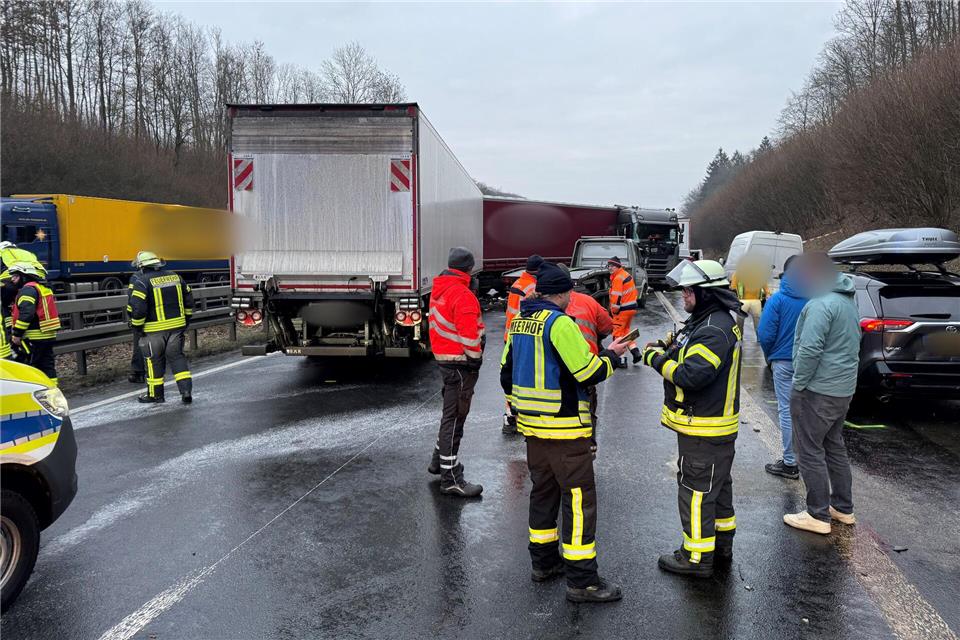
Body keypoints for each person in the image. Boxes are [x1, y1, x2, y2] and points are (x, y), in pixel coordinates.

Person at [501, 262, 628, 603]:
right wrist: (612, 358)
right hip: (566, 429)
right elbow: (586, 372)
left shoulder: (519, 323)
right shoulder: (560, 324)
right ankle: (582, 581)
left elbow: (505, 372)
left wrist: (521, 409)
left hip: (532, 429)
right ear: (563, 294)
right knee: (577, 501)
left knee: (543, 493)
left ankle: (543, 563)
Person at [642, 259, 743, 578]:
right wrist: (667, 347)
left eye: (689, 290)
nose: (683, 295)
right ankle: (721, 545)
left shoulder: (713, 329)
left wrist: (656, 360)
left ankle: (697, 558)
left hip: (704, 427)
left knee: (696, 492)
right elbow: (686, 348)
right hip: (709, 427)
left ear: (707, 293)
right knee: (718, 487)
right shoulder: (707, 321)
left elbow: (692, 375)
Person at [783, 253, 860, 535]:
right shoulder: (847, 301)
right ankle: (842, 508)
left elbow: (810, 349)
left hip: (817, 391)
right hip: (841, 390)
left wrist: (798, 385)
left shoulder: (821, 304)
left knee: (809, 451)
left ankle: (817, 514)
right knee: (834, 446)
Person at [427, 247, 485, 498]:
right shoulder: (462, 294)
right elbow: (469, 335)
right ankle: (451, 478)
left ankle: (438, 462)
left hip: (445, 360)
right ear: (469, 268)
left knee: (449, 415)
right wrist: (476, 359)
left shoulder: (441, 288)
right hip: (460, 364)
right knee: (454, 419)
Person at [757, 255, 807, 479]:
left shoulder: (778, 300)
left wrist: (770, 356)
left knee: (787, 411)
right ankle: (808, 460)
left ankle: (789, 462)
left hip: (784, 361)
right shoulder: (816, 298)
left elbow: (765, 334)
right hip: (809, 362)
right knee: (807, 412)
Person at [128, 251, 194, 404]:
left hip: (153, 330)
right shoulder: (176, 277)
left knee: (153, 362)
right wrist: (186, 320)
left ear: (142, 267)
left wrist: (137, 327)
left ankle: (156, 395)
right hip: (177, 327)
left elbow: (138, 308)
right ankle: (185, 392)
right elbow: (189, 300)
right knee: (177, 358)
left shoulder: (142, 282)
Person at [561, 265, 614, 433]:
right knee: (586, 411)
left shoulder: (540, 306)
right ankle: (588, 445)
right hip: (586, 368)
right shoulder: (588, 301)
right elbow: (607, 326)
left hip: (554, 372)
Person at [502, 255, 543, 434]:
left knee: (511, 377)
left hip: (510, 335)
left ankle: (509, 414)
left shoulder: (518, 283)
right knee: (523, 378)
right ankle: (518, 416)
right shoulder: (533, 287)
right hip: (521, 336)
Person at [8, 262, 61, 382]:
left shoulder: (28, 290)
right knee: (47, 366)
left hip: (33, 337)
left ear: (24, 276)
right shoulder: (42, 288)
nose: (12, 280)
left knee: (31, 366)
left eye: (15, 276)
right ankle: (52, 390)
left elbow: (27, 314)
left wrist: (17, 334)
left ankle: (34, 393)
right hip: (47, 334)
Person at [607, 256, 642, 364]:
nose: (610, 268)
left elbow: (616, 297)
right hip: (630, 309)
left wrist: (614, 311)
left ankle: (622, 360)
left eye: (612, 266)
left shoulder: (617, 278)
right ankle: (635, 352)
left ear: (618, 266)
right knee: (625, 332)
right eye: (609, 266)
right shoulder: (625, 275)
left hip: (622, 310)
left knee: (617, 334)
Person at [730, 254, 770, 339]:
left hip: (755, 300)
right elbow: (733, 287)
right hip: (743, 300)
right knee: (741, 320)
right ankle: (740, 336)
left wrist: (767, 294)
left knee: (757, 320)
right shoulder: (738, 274)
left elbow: (765, 285)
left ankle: (758, 337)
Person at [126, 260, 148, 384]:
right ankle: (156, 371)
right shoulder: (162, 276)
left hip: (141, 317)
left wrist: (132, 318)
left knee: (139, 345)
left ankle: (138, 373)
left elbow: (132, 300)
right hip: (159, 319)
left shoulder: (136, 277)